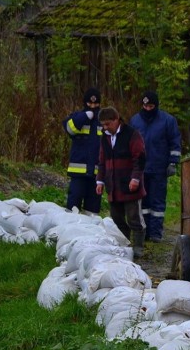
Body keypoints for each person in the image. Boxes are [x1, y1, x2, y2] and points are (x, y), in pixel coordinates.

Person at [129, 91, 181, 242]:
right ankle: (143, 231)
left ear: (156, 106)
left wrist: (173, 162)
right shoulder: (135, 121)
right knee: (143, 202)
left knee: (157, 202)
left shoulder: (168, 121)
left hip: (159, 168)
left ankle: (156, 233)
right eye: (145, 106)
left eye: (151, 106)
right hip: (140, 169)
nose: (147, 109)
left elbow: (175, 142)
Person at [95, 107, 148, 259]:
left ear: (117, 119)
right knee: (116, 217)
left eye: (108, 124)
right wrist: (100, 180)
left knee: (134, 217)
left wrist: (135, 178)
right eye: (103, 125)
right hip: (113, 185)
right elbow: (102, 160)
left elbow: (140, 157)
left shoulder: (132, 134)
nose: (105, 128)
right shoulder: (104, 138)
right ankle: (124, 244)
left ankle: (138, 246)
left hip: (130, 184)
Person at [63, 88, 104, 214]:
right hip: (78, 173)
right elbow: (69, 129)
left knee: (92, 210)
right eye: (89, 104)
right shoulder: (77, 117)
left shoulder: (103, 121)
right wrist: (84, 117)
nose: (92, 106)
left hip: (97, 174)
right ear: (84, 103)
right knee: (73, 206)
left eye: (95, 104)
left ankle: (90, 233)